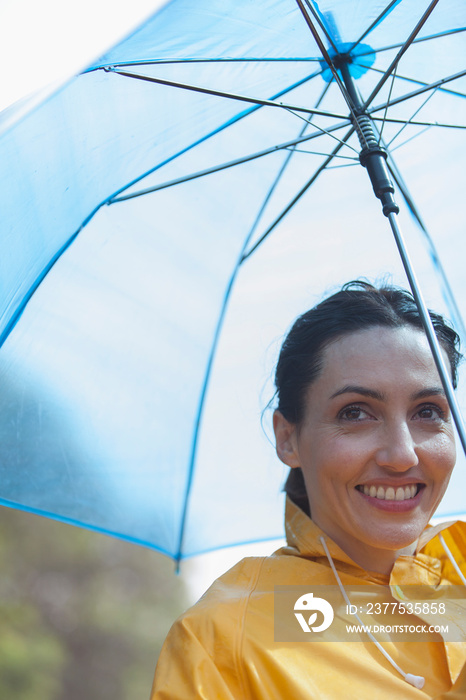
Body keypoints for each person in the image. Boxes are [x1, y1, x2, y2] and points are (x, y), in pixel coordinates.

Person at [151, 281, 466, 699]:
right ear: (288, 438)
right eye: (356, 412)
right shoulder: (222, 640)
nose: (401, 454)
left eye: (428, 411)